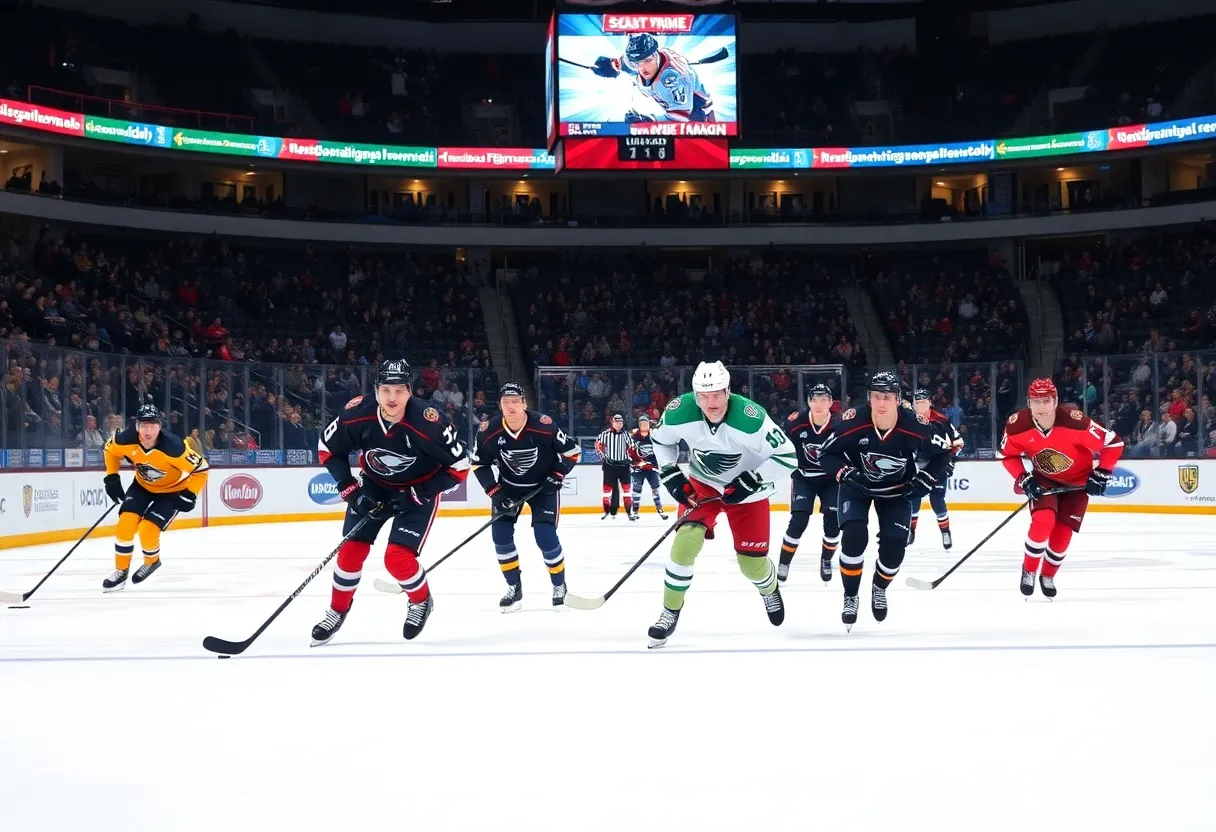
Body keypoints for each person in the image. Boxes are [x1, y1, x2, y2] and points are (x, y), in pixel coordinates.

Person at [311, 359, 471, 645]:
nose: (392, 398)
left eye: (399, 390)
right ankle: (337, 611)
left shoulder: (429, 422)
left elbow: (459, 467)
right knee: (349, 553)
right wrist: (349, 489)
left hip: (418, 489)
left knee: (397, 559)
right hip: (373, 485)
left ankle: (421, 601)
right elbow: (327, 449)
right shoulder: (357, 413)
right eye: (385, 390)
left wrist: (417, 494)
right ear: (376, 391)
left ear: (410, 391)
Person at [645, 361, 798, 648]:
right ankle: (669, 612)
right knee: (685, 543)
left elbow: (788, 458)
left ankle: (769, 587)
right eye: (704, 396)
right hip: (703, 485)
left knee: (751, 566)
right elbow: (660, 441)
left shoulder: (751, 418)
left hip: (748, 493)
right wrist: (669, 472)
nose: (711, 402)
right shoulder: (679, 411)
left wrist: (754, 480)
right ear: (694, 395)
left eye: (717, 394)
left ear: (728, 391)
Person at [819, 372, 951, 629]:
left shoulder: (915, 425)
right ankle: (850, 595)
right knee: (854, 539)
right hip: (857, 489)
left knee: (893, 553)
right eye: (877, 396)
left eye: (888, 397)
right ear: (869, 398)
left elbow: (943, 453)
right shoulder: (852, 421)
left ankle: (879, 588)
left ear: (898, 399)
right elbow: (825, 454)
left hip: (897, 492)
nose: (881, 403)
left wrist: (926, 479)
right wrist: (843, 472)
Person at [998, 378, 1124, 597]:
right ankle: (1028, 570)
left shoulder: (1076, 423)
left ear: (1055, 401)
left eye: (1046, 401)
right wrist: (1023, 478)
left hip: (1078, 483)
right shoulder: (1017, 426)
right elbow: (1007, 455)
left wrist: (1102, 473)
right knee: (1043, 521)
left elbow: (1113, 443)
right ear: (1029, 402)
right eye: (1036, 401)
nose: (1042, 407)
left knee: (1062, 535)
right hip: (1044, 480)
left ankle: (1047, 575)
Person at [471, 382, 581, 612]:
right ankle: (514, 587)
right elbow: (479, 464)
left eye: (515, 402)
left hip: (543, 489)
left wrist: (558, 474)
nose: (510, 407)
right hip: (508, 488)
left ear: (524, 403)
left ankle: (559, 586)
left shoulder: (544, 426)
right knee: (500, 537)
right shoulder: (488, 431)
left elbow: (573, 453)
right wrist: (494, 490)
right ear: (499, 404)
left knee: (545, 537)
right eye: (505, 402)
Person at [101, 403, 209, 591]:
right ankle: (120, 571)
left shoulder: (174, 447)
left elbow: (201, 468)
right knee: (125, 524)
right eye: (143, 425)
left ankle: (152, 561)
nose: (147, 430)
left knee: (147, 529)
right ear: (137, 426)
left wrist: (190, 494)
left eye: (152, 425)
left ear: (160, 426)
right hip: (142, 487)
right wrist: (112, 477)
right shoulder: (125, 439)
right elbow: (110, 450)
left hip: (172, 491)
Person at [779, 383, 840, 583]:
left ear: (831, 402)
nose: (819, 404)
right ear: (808, 402)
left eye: (824, 399)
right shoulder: (796, 424)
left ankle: (826, 560)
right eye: (815, 399)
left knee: (833, 523)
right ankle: (784, 562)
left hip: (831, 480)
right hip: (804, 477)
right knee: (798, 521)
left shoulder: (840, 426)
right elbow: (782, 447)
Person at [592, 33, 717, 124]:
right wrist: (611, 66)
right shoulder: (637, 59)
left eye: (647, 60)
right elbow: (623, 62)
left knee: (697, 124)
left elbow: (681, 117)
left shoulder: (675, 81)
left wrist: (650, 120)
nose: (642, 67)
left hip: (697, 107)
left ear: (656, 54)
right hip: (668, 99)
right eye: (637, 62)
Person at [909, 389, 964, 549]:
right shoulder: (909, 420)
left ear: (930, 403)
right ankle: (910, 531)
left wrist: (950, 460)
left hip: (937, 465)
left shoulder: (941, 420)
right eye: (917, 403)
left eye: (923, 402)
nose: (920, 406)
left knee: (937, 500)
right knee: (913, 499)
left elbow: (958, 442)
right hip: (916, 465)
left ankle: (945, 531)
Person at [626, 413, 667, 521]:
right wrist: (633, 463)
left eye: (646, 423)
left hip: (652, 468)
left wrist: (658, 464)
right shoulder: (633, 435)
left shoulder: (654, 435)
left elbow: (661, 449)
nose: (644, 425)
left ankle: (660, 509)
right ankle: (634, 511)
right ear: (639, 424)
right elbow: (628, 451)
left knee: (655, 489)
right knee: (636, 490)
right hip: (638, 468)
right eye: (642, 423)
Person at [595, 413, 632, 519]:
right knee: (607, 490)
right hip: (609, 466)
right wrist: (604, 458)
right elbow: (598, 446)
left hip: (623, 465)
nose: (619, 424)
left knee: (627, 490)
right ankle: (607, 511)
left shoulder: (626, 435)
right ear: (612, 422)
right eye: (617, 422)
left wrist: (630, 459)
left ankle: (629, 512)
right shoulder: (605, 434)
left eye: (621, 422)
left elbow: (632, 448)